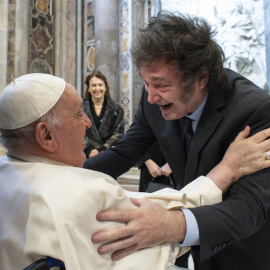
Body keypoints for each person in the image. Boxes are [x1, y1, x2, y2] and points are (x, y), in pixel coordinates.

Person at [0, 75, 269, 270]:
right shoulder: (84, 191)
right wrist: (228, 168)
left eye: (160, 84)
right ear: (46, 135)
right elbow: (161, 221)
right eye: (77, 113)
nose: (85, 122)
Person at [83, 12, 270, 270]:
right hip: (195, 252)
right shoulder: (153, 100)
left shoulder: (254, 110)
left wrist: (170, 224)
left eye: (159, 85)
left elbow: (249, 207)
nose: (150, 97)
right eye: (145, 83)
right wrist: (65, 176)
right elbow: (123, 153)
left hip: (244, 251)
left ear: (200, 79)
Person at [83, 70, 125, 158]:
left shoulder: (117, 109)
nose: (97, 89)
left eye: (100, 85)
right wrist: (89, 150)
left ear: (105, 87)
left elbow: (118, 134)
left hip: (109, 156)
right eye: (94, 85)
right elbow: (77, 132)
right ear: (89, 88)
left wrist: (101, 150)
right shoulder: (79, 109)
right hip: (85, 155)